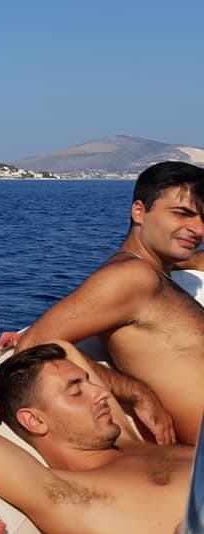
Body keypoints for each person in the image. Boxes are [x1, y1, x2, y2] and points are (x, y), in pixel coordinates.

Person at [0, 342, 192, 534]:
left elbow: (62, 346)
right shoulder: (71, 496)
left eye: (88, 382)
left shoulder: (123, 438)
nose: (101, 392)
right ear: (35, 421)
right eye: (77, 390)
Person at [15, 161, 204, 445]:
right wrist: (136, 392)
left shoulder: (158, 270)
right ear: (139, 212)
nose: (198, 229)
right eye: (182, 214)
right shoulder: (132, 277)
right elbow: (32, 345)